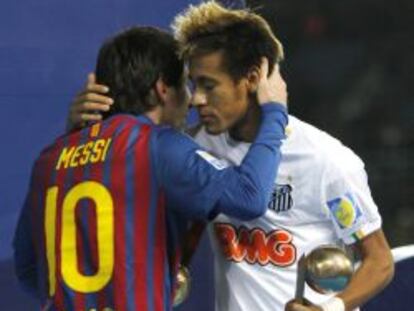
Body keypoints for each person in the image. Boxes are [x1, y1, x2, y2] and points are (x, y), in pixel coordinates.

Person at [68, 2, 394, 311]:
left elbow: (379, 262)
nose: (196, 99)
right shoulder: (198, 145)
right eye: (193, 84)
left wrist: (329, 308)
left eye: (209, 85)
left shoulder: (326, 160)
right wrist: (83, 132)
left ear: (252, 80)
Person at [13, 26, 289, 311]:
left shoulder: (49, 158)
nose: (192, 100)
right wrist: (275, 112)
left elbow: (28, 268)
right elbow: (249, 196)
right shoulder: (157, 146)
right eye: (185, 85)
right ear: (162, 89)